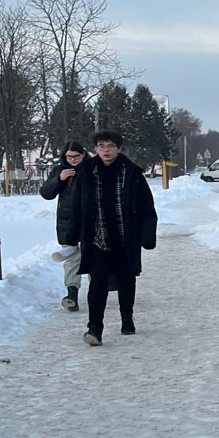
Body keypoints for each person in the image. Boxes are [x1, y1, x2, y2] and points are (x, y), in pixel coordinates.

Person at [68, 130, 157, 346]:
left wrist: (147, 236)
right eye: (101, 146)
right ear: (95, 149)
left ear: (118, 148)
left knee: (126, 279)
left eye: (110, 146)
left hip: (126, 237)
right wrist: (71, 236)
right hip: (98, 237)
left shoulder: (132, 174)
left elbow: (147, 207)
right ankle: (94, 328)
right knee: (97, 282)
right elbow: (77, 207)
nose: (106, 150)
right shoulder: (87, 173)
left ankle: (127, 317)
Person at [39, 141, 88, 311]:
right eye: (69, 156)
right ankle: (72, 294)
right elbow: (46, 193)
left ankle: (97, 292)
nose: (73, 159)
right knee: (72, 258)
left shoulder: (92, 169)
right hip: (67, 222)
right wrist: (59, 179)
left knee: (93, 258)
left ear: (83, 155)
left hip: (91, 221)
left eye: (76, 156)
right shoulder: (60, 170)